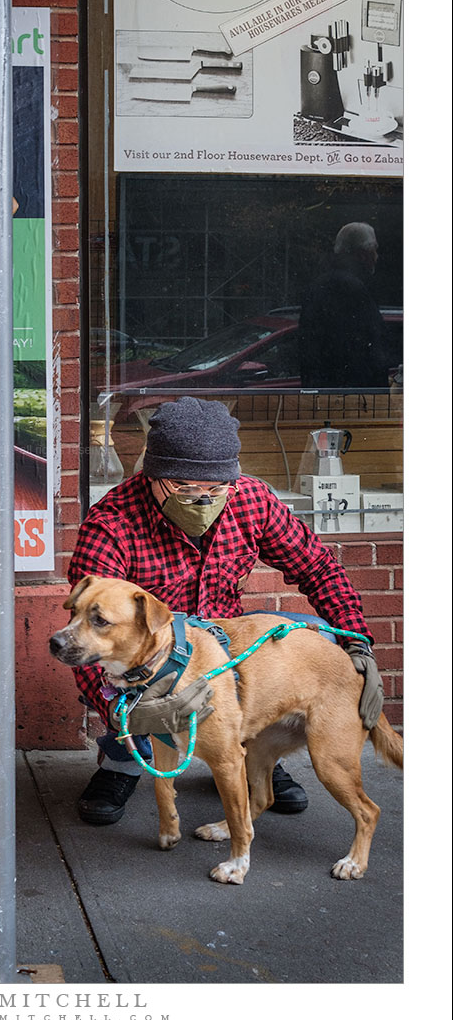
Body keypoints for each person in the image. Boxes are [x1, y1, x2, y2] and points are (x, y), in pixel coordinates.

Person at [68, 396, 383, 825]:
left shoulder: (251, 501)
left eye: (216, 489)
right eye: (184, 487)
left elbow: (319, 568)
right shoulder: (111, 523)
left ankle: (257, 751)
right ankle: (125, 756)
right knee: (129, 681)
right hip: (152, 660)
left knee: (316, 635)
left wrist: (357, 644)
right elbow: (88, 633)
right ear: (152, 474)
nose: (201, 499)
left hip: (223, 651)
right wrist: (123, 713)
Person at [298, 222, 390, 388]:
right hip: (353, 396)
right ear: (363, 253)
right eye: (374, 250)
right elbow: (363, 348)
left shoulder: (321, 284)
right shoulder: (352, 288)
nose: (376, 256)